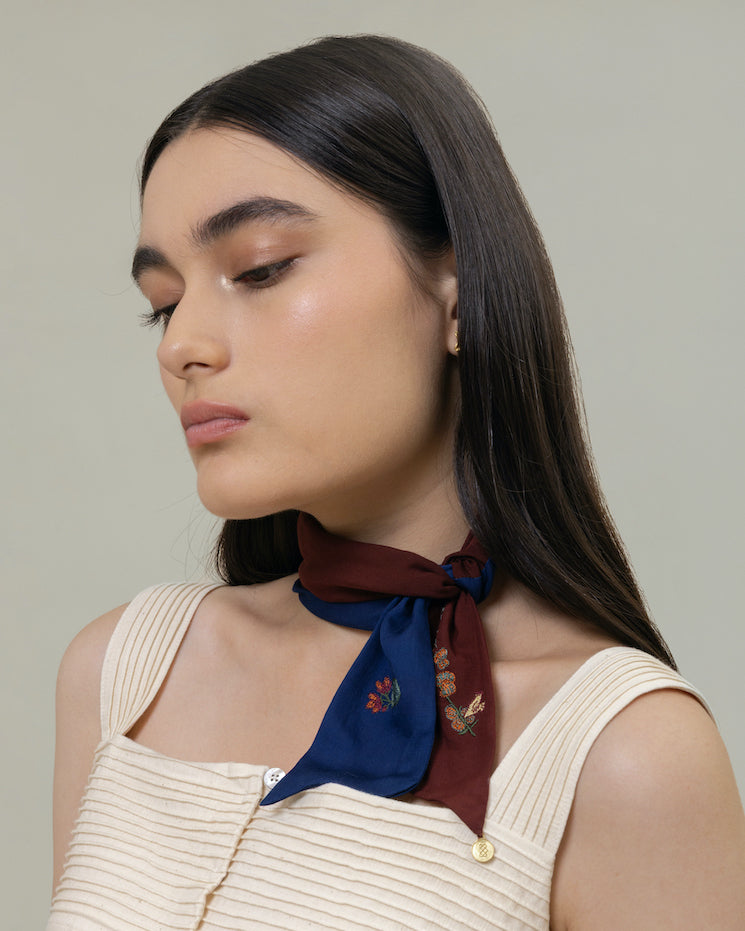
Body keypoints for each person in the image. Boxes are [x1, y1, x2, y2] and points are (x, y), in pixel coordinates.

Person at [48, 34, 745, 930]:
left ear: (456, 292)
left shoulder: (625, 754)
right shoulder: (121, 672)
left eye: (260, 268)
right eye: (164, 302)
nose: (182, 344)